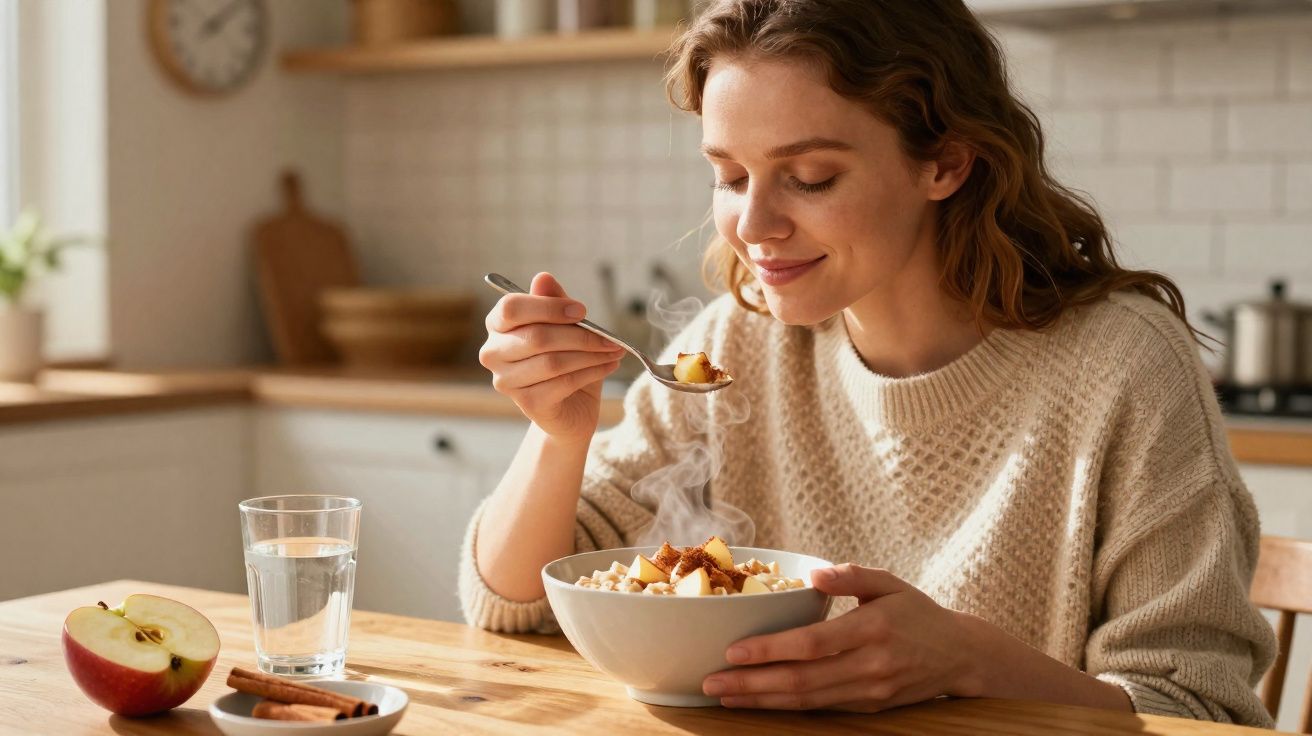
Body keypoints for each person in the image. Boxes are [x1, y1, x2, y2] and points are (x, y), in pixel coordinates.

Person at [460, 0, 1276, 725]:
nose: (752, 224)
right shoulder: (734, 341)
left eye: (810, 177)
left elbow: (1200, 715)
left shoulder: (1122, 366)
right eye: (730, 175)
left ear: (945, 163)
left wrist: (968, 661)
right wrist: (559, 435)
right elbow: (510, 604)